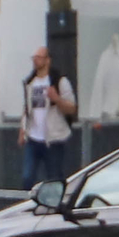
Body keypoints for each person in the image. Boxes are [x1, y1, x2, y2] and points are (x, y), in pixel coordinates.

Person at [18, 46, 76, 188]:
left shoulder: (60, 81)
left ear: (47, 60)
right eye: (34, 58)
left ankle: (54, 206)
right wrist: (22, 129)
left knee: (54, 178)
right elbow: (27, 108)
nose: (35, 61)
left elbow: (72, 108)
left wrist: (56, 99)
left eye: (39, 57)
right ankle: (26, 205)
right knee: (27, 177)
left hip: (53, 139)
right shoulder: (30, 82)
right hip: (33, 138)